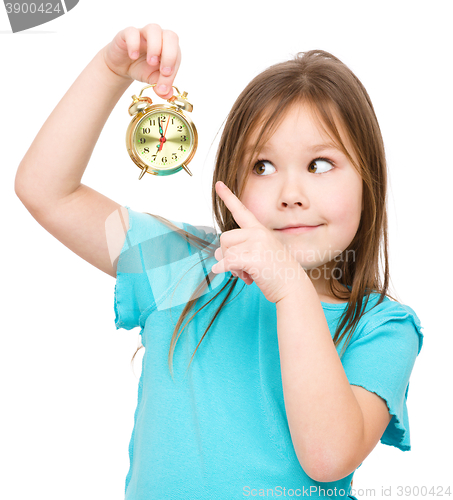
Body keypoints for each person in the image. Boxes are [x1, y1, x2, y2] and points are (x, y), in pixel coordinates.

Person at [15, 23, 424, 500]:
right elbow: (47, 192)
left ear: (367, 180)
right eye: (262, 166)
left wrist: (291, 289)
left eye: (320, 164)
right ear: (232, 179)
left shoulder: (384, 327)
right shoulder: (188, 264)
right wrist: (110, 71)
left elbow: (328, 458)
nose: (291, 195)